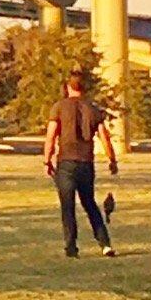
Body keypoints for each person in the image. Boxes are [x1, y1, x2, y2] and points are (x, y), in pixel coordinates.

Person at [43, 73, 118, 258]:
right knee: (90, 204)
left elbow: (51, 136)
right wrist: (112, 160)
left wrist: (47, 160)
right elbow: (104, 137)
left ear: (68, 88)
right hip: (86, 163)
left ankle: (71, 247)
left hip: (66, 163)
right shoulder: (93, 109)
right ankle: (105, 244)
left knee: (67, 206)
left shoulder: (59, 107)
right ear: (84, 89)